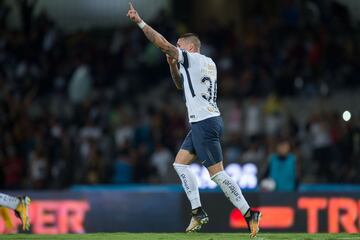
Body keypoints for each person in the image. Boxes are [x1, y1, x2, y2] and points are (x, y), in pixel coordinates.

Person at [127, 3, 261, 237]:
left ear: (190, 47)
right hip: (206, 120)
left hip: (204, 122)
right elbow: (180, 84)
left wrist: (140, 22)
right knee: (180, 164)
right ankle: (197, 211)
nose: (175, 50)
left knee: (217, 174)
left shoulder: (194, 59)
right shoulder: (208, 63)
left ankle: (249, 213)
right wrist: (172, 66)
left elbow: (162, 44)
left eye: (179, 47)